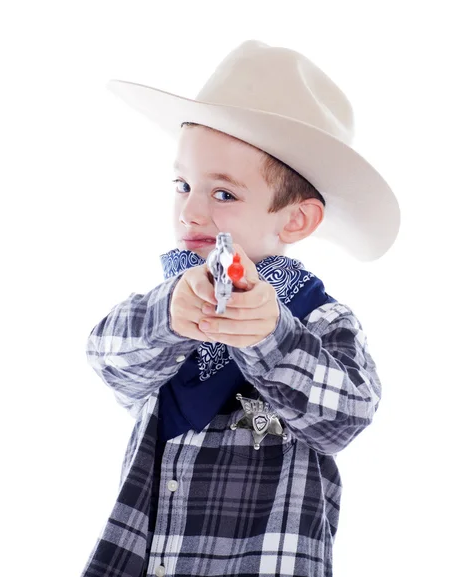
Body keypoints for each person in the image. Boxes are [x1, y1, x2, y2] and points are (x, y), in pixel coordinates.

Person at [79, 40, 400, 577]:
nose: (191, 209)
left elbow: (346, 418)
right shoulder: (171, 302)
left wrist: (270, 335)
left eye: (224, 194)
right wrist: (168, 316)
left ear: (294, 221)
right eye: (183, 185)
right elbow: (109, 360)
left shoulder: (319, 320)